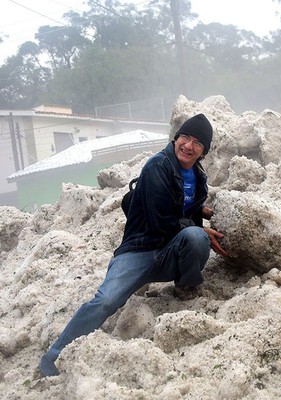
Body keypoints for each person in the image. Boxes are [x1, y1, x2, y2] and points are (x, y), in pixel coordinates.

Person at [39, 113, 228, 377]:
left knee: (196, 238)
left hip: (168, 251)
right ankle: (53, 359)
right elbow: (161, 221)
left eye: (197, 142)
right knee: (105, 301)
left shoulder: (198, 177)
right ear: (176, 139)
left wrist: (202, 212)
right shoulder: (157, 168)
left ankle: (185, 285)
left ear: (204, 151)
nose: (188, 145)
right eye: (184, 137)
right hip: (139, 250)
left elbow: (183, 209)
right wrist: (202, 230)